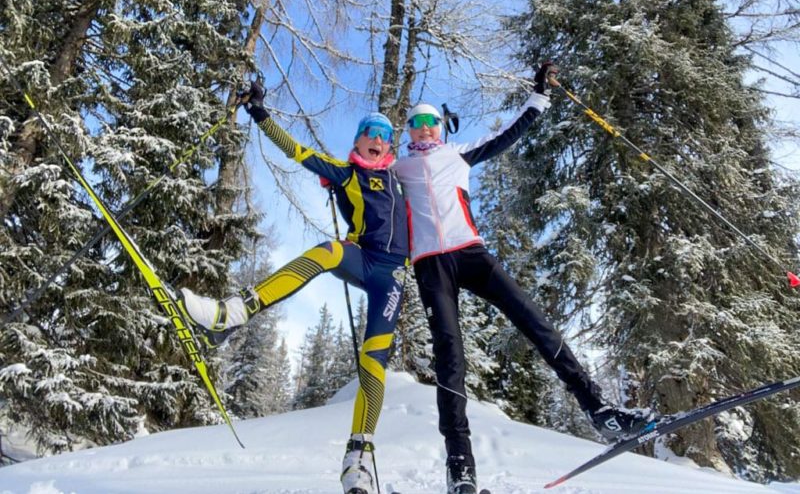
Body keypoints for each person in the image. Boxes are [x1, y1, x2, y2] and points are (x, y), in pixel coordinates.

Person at [393, 62, 656, 494]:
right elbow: (360, 180)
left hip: (470, 252)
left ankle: (600, 411)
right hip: (430, 266)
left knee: (535, 321)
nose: (423, 129)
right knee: (450, 359)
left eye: (430, 123)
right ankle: (460, 467)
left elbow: (509, 134)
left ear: (440, 128)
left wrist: (539, 94)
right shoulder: (398, 169)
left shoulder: (458, 154)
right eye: (416, 124)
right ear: (409, 131)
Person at [177, 82, 409, 494]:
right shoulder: (347, 172)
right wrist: (260, 114)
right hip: (363, 257)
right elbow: (298, 152)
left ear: (391, 147)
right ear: (357, 140)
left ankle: (359, 459)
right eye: (370, 132)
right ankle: (231, 313)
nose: (377, 139)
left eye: (385, 135)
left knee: (374, 362)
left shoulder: (401, 179)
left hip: (392, 277)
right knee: (325, 251)